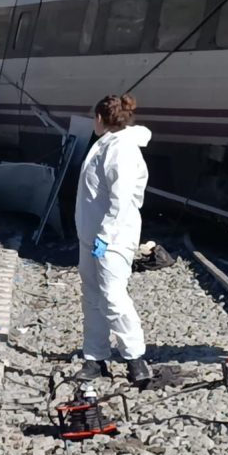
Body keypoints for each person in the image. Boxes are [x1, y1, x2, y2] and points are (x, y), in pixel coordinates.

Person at [73, 94, 154, 385]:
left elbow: (121, 200)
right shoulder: (107, 144)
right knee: (92, 298)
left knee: (113, 297)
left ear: (99, 118)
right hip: (92, 235)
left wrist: (106, 237)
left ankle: (135, 358)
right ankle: (95, 357)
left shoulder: (122, 149)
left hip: (113, 238)